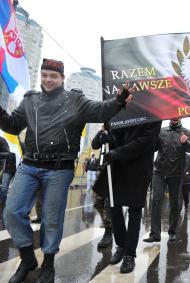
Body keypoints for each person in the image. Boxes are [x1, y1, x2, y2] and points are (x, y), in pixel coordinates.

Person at [0, 58, 133, 283]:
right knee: (12, 212)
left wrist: (119, 100)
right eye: (44, 75)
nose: (47, 79)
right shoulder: (30, 100)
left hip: (59, 168)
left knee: (51, 219)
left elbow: (101, 111)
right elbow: (12, 125)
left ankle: (49, 266)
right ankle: (27, 258)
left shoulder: (76, 100)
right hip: (30, 165)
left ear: (62, 78)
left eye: (53, 76)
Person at [92, 120, 161, 273]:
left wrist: (117, 152)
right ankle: (121, 246)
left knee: (135, 212)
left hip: (139, 168)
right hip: (118, 166)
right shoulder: (124, 113)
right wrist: (111, 139)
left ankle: (129, 255)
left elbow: (144, 141)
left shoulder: (154, 116)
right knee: (114, 207)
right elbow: (117, 135)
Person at [144, 118, 190, 243]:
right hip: (159, 172)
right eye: (172, 114)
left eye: (177, 115)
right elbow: (154, 148)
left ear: (181, 117)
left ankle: (172, 232)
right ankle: (155, 234)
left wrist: (185, 142)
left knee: (175, 204)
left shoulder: (186, 132)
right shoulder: (161, 131)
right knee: (156, 201)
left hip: (176, 173)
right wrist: (154, 135)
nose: (175, 117)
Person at [0, 136, 16, 204]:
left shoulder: (2, 140)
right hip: (7, 168)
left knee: (15, 189)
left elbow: (8, 153)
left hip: (17, 168)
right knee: (4, 188)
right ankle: (3, 204)